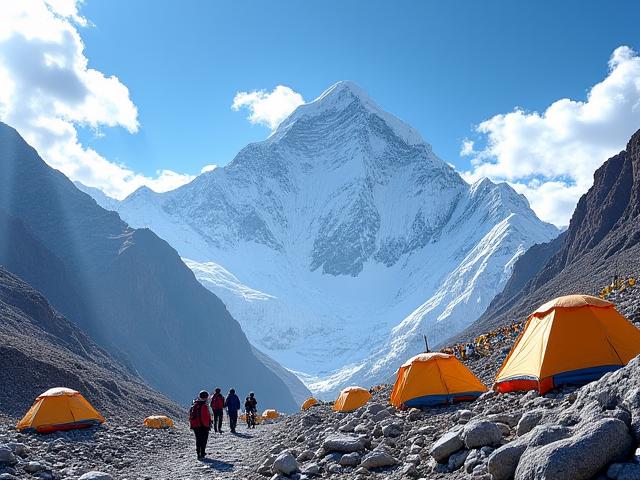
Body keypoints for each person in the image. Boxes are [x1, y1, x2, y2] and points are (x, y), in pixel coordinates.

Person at [189, 390, 212, 460]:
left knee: (198, 439)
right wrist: (208, 424)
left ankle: (198, 453)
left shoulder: (194, 404)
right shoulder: (204, 405)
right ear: (206, 397)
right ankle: (202, 453)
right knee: (204, 439)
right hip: (203, 425)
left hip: (196, 425)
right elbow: (206, 416)